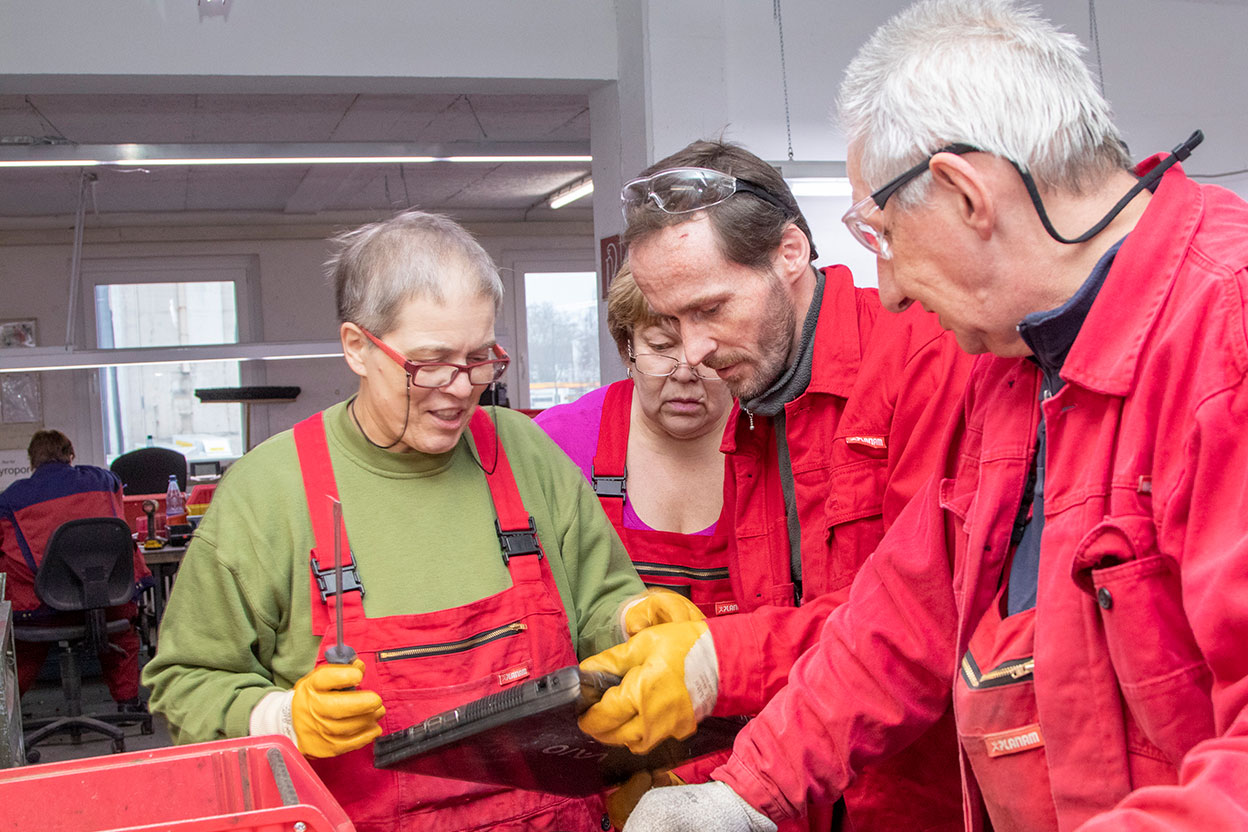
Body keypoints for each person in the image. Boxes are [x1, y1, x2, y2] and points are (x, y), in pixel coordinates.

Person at [615, 1, 1248, 830]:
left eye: (880, 238)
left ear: (964, 193)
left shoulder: (1227, 332)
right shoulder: (1017, 364)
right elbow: (906, 613)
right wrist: (745, 793)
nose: (890, 292)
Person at [142, 210, 691, 832]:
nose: (460, 388)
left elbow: (597, 602)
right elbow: (185, 682)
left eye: (480, 359)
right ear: (357, 346)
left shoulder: (523, 451)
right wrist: (285, 717)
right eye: (428, 363)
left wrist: (630, 617)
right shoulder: (267, 493)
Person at [579, 138, 974, 831]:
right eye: (669, 323)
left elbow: (914, 624)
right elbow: (791, 641)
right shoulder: (754, 412)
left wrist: (715, 660)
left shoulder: (924, 359)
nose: (693, 354)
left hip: (922, 801)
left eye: (708, 309)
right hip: (798, 796)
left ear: (790, 253)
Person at [536, 265, 736, 617]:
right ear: (626, 349)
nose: (686, 370)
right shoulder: (557, 442)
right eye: (661, 346)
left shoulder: (776, 439)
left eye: (708, 347)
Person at [0, 429, 152, 706]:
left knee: (22, 653)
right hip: (105, 600)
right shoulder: (104, 481)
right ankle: (128, 701)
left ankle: (7, 715)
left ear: (32, 461)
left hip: (41, 608)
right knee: (120, 636)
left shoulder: (10, 500)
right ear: (70, 454)